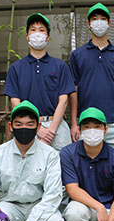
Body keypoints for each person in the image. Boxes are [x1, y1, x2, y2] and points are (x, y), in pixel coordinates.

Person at [69, 3, 114, 157]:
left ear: (109, 23)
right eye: (95, 19)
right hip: (87, 123)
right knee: (87, 168)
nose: (99, 22)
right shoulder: (77, 55)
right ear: (88, 24)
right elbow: (74, 90)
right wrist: (74, 122)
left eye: (103, 19)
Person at [4, 13, 75, 152]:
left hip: (56, 124)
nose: (37, 33)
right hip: (27, 125)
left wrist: (51, 130)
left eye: (41, 30)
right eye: (33, 29)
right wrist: (37, 128)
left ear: (48, 37)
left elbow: (64, 100)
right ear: (27, 36)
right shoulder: (16, 68)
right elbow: (14, 101)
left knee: (62, 167)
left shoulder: (59, 66)